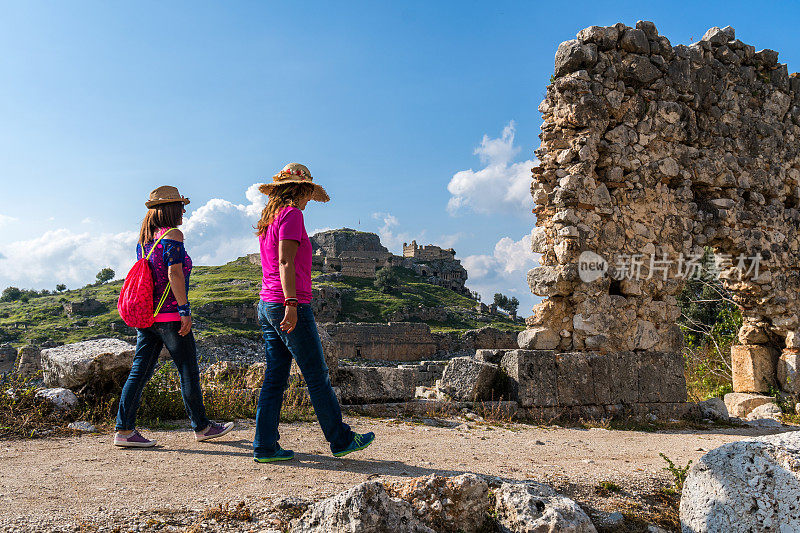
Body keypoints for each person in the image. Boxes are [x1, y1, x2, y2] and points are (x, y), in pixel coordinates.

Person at [253, 163, 374, 462]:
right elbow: (285, 262)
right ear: (301, 190)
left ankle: (265, 445)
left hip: (267, 303)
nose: (309, 200)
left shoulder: (270, 220)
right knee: (317, 375)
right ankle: (341, 439)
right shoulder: (293, 214)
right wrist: (292, 304)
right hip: (288, 304)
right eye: (308, 193)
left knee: (275, 378)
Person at [114, 186, 234, 447]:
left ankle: (123, 431)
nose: (184, 210)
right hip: (170, 315)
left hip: (148, 317)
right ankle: (202, 427)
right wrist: (184, 311)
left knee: (139, 372)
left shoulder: (145, 240)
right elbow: (174, 274)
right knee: (188, 371)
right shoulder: (173, 235)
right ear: (170, 209)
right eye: (181, 206)